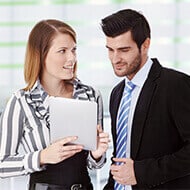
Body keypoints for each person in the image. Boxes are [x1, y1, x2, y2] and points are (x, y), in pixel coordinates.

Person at [0, 19, 109, 190]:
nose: (71, 58)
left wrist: (97, 154)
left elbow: (95, 165)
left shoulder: (91, 95)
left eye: (74, 50)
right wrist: (41, 157)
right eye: (62, 51)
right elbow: (2, 164)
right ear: (41, 55)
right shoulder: (21, 101)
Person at [100, 8, 190, 189]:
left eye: (124, 50)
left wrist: (141, 173)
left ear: (145, 45)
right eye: (110, 50)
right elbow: (122, 155)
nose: (115, 59)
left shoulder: (175, 85)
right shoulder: (117, 94)